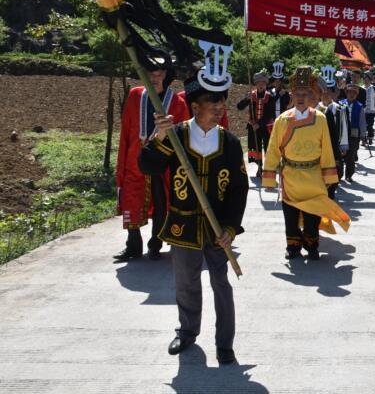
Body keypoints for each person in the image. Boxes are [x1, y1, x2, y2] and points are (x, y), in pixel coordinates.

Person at [139, 68, 247, 364]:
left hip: (217, 229)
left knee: (221, 283)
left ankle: (225, 343)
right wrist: (160, 136)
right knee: (185, 281)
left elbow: (239, 189)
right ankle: (187, 331)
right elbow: (148, 166)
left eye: (222, 106)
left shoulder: (230, 143)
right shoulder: (175, 136)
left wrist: (230, 228)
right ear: (195, 106)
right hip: (183, 224)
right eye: (213, 106)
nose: (219, 111)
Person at [262, 66, 350, 260]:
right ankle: (293, 246)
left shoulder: (319, 119)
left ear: (311, 95)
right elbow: (273, 150)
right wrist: (269, 179)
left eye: (305, 93)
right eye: (297, 93)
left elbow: (326, 148)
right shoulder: (282, 120)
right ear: (292, 95)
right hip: (291, 176)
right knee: (290, 215)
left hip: (314, 175)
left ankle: (311, 245)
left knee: (313, 215)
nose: (301, 97)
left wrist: (330, 177)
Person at [115, 61, 189, 261]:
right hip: (134, 159)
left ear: (165, 74)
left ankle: (155, 244)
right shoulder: (135, 95)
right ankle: (133, 245)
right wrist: (123, 159)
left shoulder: (177, 102)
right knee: (132, 199)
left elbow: (184, 136)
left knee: (161, 202)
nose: (154, 78)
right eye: (150, 74)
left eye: (158, 74)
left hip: (161, 160)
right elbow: (126, 131)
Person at [316, 68, 347, 200]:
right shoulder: (315, 108)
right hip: (317, 147)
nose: (326, 94)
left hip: (333, 147)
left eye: (330, 91)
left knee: (334, 174)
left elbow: (343, 128)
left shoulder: (339, 109)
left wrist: (343, 146)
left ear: (334, 92)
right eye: (324, 91)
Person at [236, 72, 272, 176]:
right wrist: (246, 99)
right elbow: (239, 107)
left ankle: (268, 167)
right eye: (259, 83)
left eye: (263, 83)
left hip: (265, 127)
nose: (261, 85)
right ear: (256, 84)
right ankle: (259, 167)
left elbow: (270, 113)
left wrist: (259, 124)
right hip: (253, 126)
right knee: (255, 147)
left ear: (266, 84)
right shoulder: (251, 96)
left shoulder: (270, 96)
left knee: (267, 146)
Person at [339, 81, 367, 183]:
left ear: (356, 94)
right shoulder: (341, 104)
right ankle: (339, 175)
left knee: (350, 156)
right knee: (340, 155)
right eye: (349, 92)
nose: (351, 94)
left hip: (354, 134)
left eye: (354, 93)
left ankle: (349, 175)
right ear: (346, 93)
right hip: (341, 133)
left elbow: (362, 122)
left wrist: (363, 134)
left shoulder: (359, 106)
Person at [363, 72, 375, 145]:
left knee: (370, 125)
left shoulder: (374, 88)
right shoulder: (361, 88)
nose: (366, 81)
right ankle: (364, 140)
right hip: (363, 110)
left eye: (367, 80)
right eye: (365, 80)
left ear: (370, 80)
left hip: (371, 110)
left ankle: (370, 138)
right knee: (363, 126)